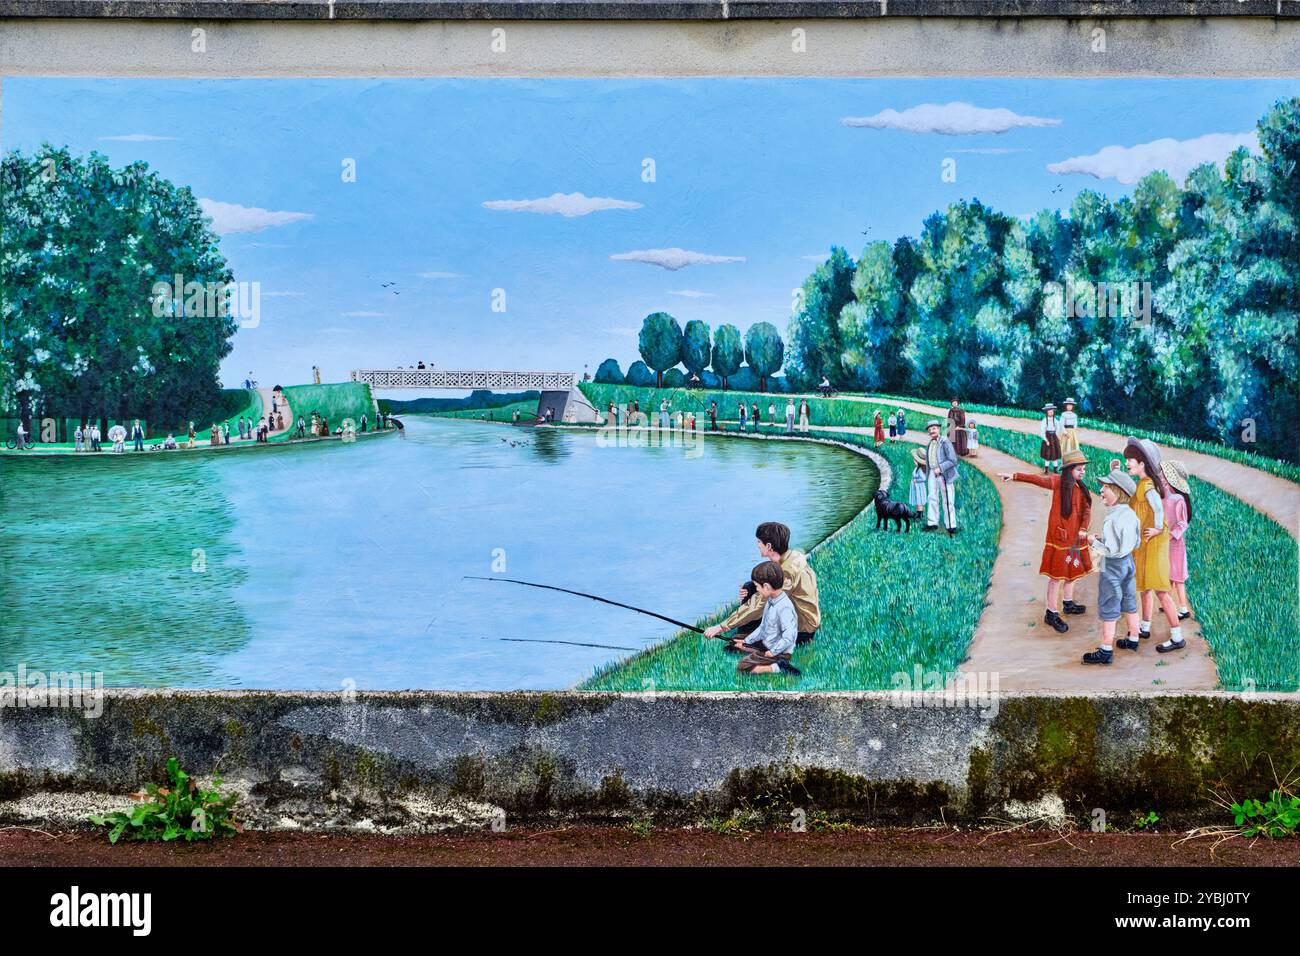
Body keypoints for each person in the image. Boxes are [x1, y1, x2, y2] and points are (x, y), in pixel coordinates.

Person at [999, 448, 1093, 634]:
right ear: (1068, 470)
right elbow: (1038, 480)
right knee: (1056, 576)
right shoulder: (1059, 482)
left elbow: (1087, 511)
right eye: (1079, 469)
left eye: (1084, 469)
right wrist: (1016, 476)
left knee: (1072, 570)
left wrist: (1083, 528)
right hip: (1059, 538)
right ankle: (1051, 612)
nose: (1083, 472)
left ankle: (1067, 603)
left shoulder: (1082, 488)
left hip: (1076, 539)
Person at [703, 521, 821, 646]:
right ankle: (746, 632)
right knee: (751, 586)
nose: (758, 545)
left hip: (801, 630)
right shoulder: (792, 557)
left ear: (769, 546)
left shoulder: (786, 572)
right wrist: (751, 591)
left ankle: (748, 637)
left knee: (734, 647)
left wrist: (721, 627)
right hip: (796, 615)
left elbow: (758, 605)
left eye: (759, 542)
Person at [1119, 437, 1184, 652]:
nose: (1127, 463)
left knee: (1160, 590)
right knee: (1145, 587)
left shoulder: (1147, 486)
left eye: (1130, 460)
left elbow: (1158, 509)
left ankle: (1177, 636)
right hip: (1147, 542)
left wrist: (1157, 528)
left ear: (1142, 464)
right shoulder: (1142, 484)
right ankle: (1144, 626)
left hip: (1155, 541)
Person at [1081, 469, 1144, 665]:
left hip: (1113, 567)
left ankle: (1106, 649)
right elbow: (1137, 542)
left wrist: (1093, 542)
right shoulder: (1132, 515)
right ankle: (1134, 638)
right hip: (1128, 563)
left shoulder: (1111, 519)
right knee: (1129, 601)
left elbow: (1110, 550)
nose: (1101, 491)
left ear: (1118, 492)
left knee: (1110, 605)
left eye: (1106, 488)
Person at [733, 561, 801, 676]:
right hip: (768, 645)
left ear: (766, 586)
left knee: (743, 667)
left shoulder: (784, 607)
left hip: (779, 652)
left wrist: (772, 652)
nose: (757, 590)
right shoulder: (770, 602)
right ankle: (762, 656)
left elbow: (789, 636)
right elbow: (762, 627)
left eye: (757, 587)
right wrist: (746, 641)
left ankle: (778, 667)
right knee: (735, 643)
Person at [1161, 459, 1194, 622]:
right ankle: (1168, 600)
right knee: (1168, 573)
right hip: (1166, 544)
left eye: (1162, 474)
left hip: (1175, 545)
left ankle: (1183, 608)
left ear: (1169, 478)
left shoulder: (1178, 499)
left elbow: (1182, 522)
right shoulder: (1164, 497)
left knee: (1178, 577)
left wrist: (1171, 534)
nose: (1159, 477)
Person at [923, 419, 959, 534]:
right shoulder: (930, 444)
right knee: (932, 497)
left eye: (934, 428)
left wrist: (941, 468)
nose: (931, 431)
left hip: (944, 474)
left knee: (947, 500)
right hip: (932, 474)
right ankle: (932, 523)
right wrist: (930, 472)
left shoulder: (945, 441)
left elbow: (953, 460)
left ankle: (951, 525)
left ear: (938, 429)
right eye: (929, 429)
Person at [1039, 404, 1061, 473]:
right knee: (1047, 455)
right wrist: (1046, 440)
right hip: (1047, 438)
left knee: (1055, 455)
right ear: (1047, 412)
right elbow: (1042, 432)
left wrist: (1056, 437)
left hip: (1054, 438)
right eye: (1049, 411)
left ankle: (1055, 470)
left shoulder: (1056, 421)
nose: (1051, 413)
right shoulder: (1044, 421)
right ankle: (1046, 469)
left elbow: (1058, 429)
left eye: (1052, 411)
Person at [909, 447, 928, 519]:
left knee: (919, 500)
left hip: (919, 488)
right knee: (917, 500)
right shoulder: (917, 468)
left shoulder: (920, 470)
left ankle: (920, 515)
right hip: (916, 487)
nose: (914, 461)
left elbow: (924, 478)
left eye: (915, 460)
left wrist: (916, 481)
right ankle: (918, 513)